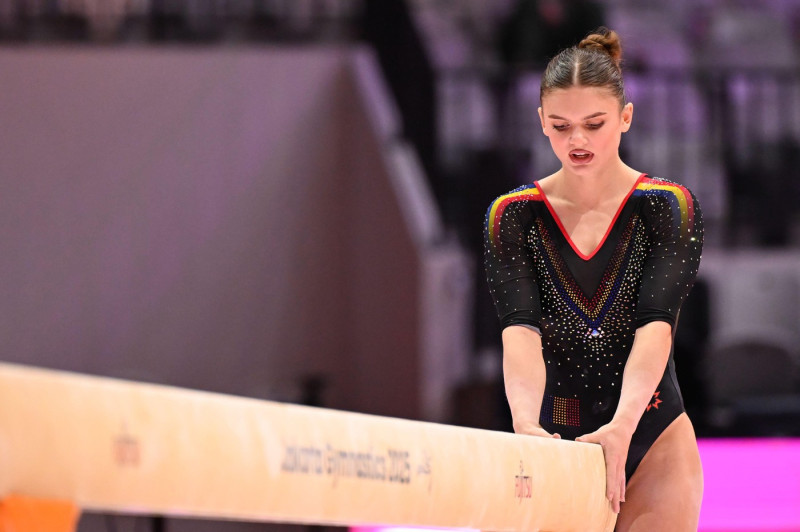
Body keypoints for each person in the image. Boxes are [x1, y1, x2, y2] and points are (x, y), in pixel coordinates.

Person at [483, 28, 704, 530]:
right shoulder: (514, 215)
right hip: (553, 441)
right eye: (560, 126)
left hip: (651, 436)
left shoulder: (666, 207)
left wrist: (623, 426)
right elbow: (520, 330)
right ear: (541, 122)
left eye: (594, 124)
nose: (577, 141)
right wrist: (524, 425)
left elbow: (656, 325)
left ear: (626, 117)